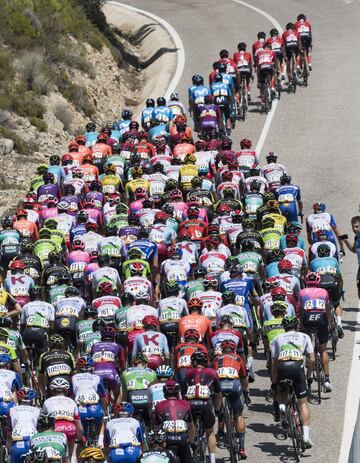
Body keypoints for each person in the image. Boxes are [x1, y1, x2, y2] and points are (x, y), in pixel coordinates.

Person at [271, 315, 314, 449]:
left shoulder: (277, 338)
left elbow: (273, 363)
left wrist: (274, 382)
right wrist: (309, 375)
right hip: (297, 366)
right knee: (303, 403)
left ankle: (282, 407)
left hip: (282, 366)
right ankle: (306, 436)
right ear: (297, 326)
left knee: (282, 392)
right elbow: (312, 359)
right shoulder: (304, 336)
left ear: (284, 327)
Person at [184, 351, 222, 463]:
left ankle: (190, 452)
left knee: (190, 428)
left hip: (190, 403)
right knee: (210, 431)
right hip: (206, 403)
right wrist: (217, 409)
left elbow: (182, 392)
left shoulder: (187, 373)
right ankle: (212, 460)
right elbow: (218, 395)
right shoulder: (213, 372)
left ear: (194, 362)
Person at [154, 380, 194, 463]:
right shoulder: (186, 403)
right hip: (182, 438)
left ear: (164, 393)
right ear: (177, 392)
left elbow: (156, 427)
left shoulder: (159, 405)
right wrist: (192, 442)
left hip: (167, 439)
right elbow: (191, 427)